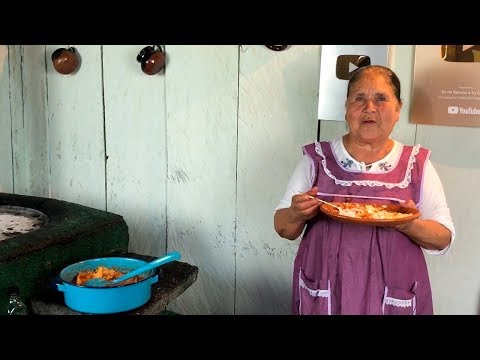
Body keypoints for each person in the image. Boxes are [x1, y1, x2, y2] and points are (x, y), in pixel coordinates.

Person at [273, 65, 455, 315]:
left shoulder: (416, 164)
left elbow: (443, 237)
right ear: (347, 107)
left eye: (381, 98)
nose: (369, 108)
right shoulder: (317, 159)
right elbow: (283, 227)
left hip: (392, 297)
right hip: (326, 296)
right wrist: (297, 213)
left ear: (398, 108)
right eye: (360, 98)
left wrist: (407, 224)